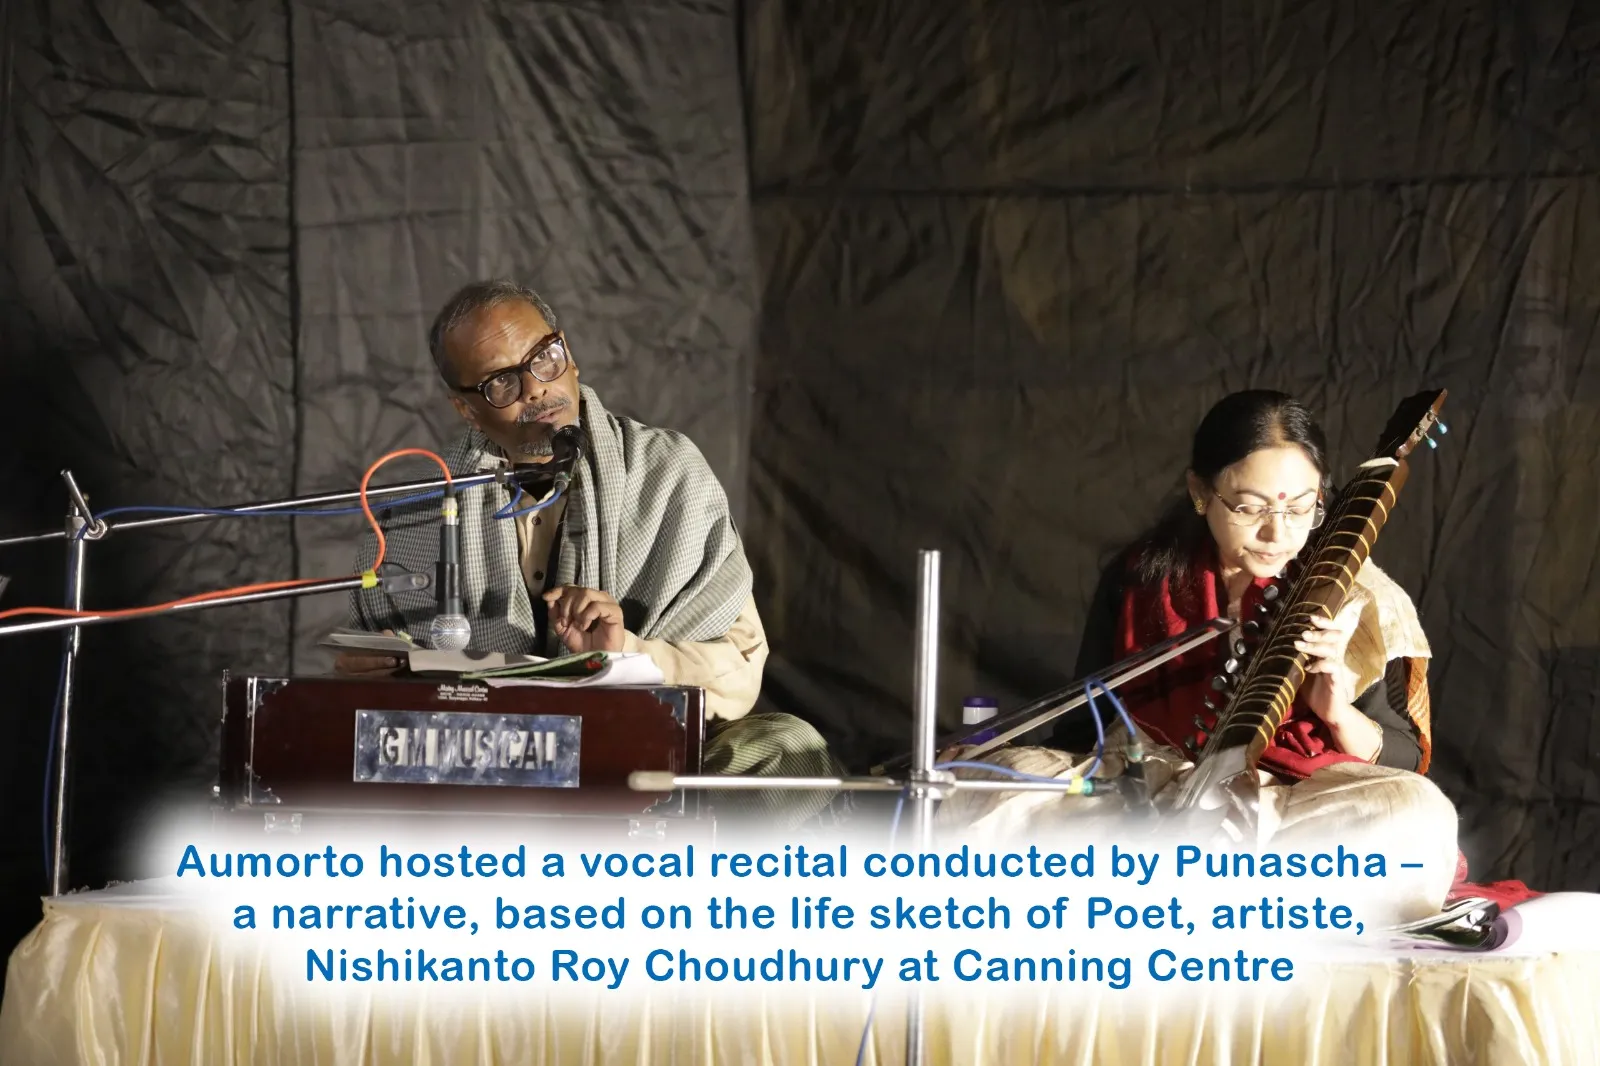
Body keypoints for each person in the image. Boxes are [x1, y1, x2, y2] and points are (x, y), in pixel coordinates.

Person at [336, 278, 839, 827]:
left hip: (641, 755)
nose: (534, 388)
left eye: (543, 358)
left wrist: (623, 654)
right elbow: (378, 685)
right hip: (486, 765)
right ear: (467, 410)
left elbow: (738, 671)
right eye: (501, 382)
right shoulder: (418, 514)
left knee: (785, 752)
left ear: (569, 355)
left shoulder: (668, 473)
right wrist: (369, 681)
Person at [942, 391, 1462, 920]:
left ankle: (1173, 895)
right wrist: (1001, 759)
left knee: (1413, 817)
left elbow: (1404, 758)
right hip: (1145, 798)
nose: (1276, 531)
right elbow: (1084, 730)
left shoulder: (1356, 597)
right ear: (1200, 492)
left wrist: (1337, 711)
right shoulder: (1144, 580)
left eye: (1301, 506)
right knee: (980, 789)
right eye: (1249, 507)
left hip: (1288, 810)